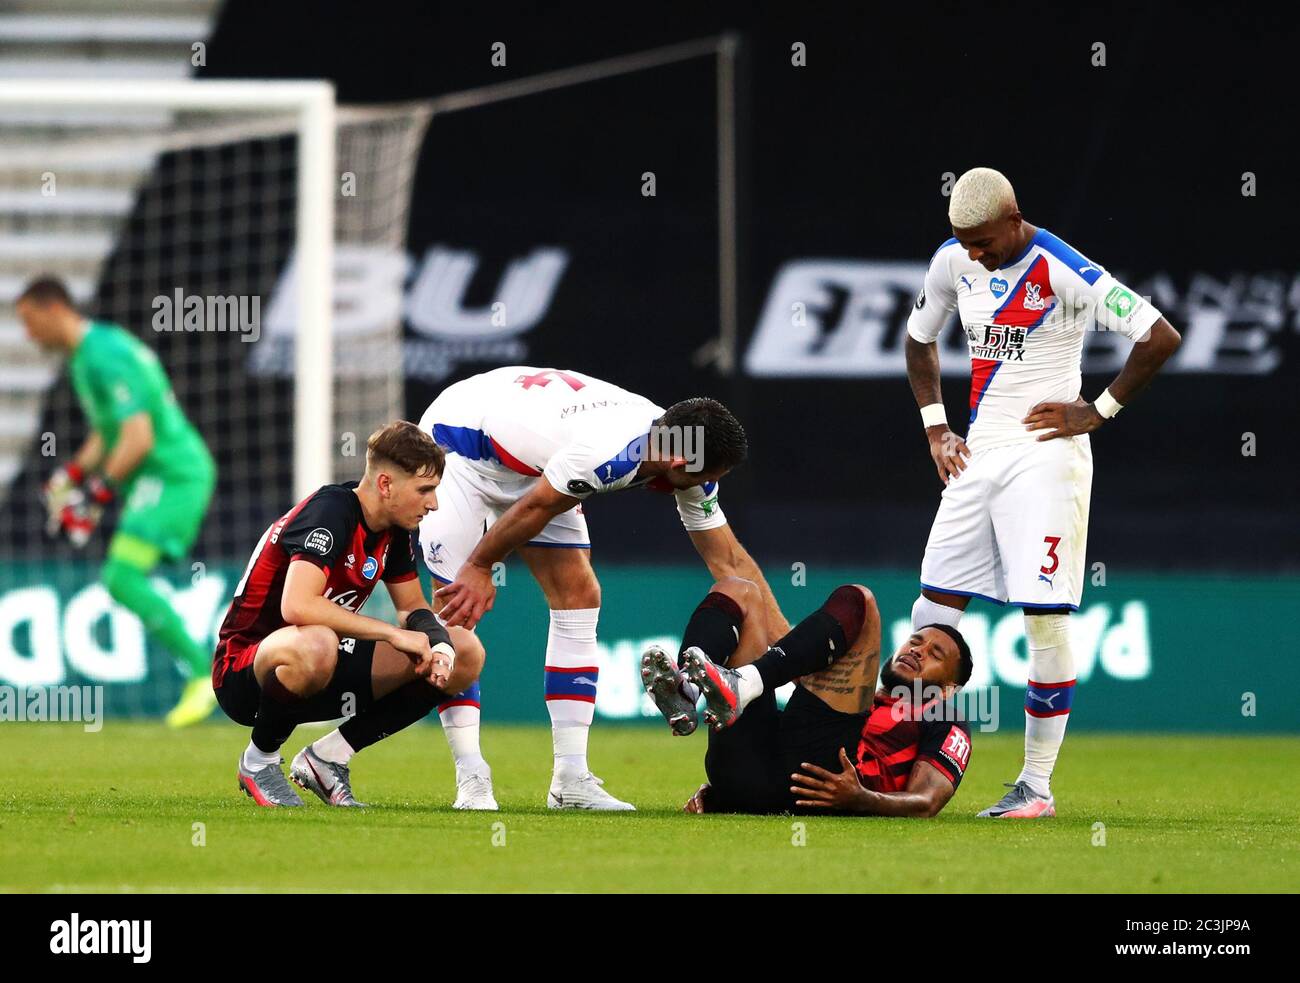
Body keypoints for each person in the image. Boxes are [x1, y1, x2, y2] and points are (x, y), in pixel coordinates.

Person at [903, 167, 1182, 817]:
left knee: (1044, 616)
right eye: (963, 242)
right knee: (931, 610)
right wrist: (936, 427)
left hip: (1047, 460)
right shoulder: (952, 261)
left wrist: (1098, 410)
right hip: (977, 455)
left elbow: (1157, 335)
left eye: (982, 241)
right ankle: (903, 760)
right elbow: (919, 343)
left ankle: (1036, 785)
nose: (974, 254)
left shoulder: (1064, 271)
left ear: (1012, 217)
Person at [418, 366, 788, 811]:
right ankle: (471, 777)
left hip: (533, 461)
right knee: (457, 618)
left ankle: (570, 780)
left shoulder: (679, 443)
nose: (709, 487)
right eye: (706, 477)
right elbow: (536, 505)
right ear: (677, 462)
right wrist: (480, 565)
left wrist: (792, 652)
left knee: (579, 594)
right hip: (461, 445)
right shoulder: (606, 453)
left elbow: (730, 561)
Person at [212, 421, 483, 807]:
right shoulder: (331, 512)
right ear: (386, 484)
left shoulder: (394, 529)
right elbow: (298, 606)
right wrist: (392, 634)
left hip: (325, 662)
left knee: (465, 649)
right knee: (318, 640)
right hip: (246, 672)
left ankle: (328, 758)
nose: (433, 503)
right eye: (425, 490)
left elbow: (412, 607)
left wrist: (437, 643)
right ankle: (259, 762)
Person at [18, 276, 219, 728]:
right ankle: (207, 668)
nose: (28, 336)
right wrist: (70, 477)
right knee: (123, 577)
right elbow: (108, 436)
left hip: (174, 475)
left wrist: (94, 497)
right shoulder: (88, 356)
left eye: (30, 322)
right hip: (160, 475)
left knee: (121, 576)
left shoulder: (104, 356)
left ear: (54, 309)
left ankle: (204, 671)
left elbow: (139, 438)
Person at [641, 577, 973, 817]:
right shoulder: (865, 699)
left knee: (861, 600)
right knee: (738, 589)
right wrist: (722, 792)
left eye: (936, 654)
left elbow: (927, 801)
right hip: (746, 781)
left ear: (948, 688)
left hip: (824, 784)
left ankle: (745, 684)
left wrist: (862, 798)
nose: (918, 651)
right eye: (915, 641)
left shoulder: (943, 715)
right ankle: (687, 687)